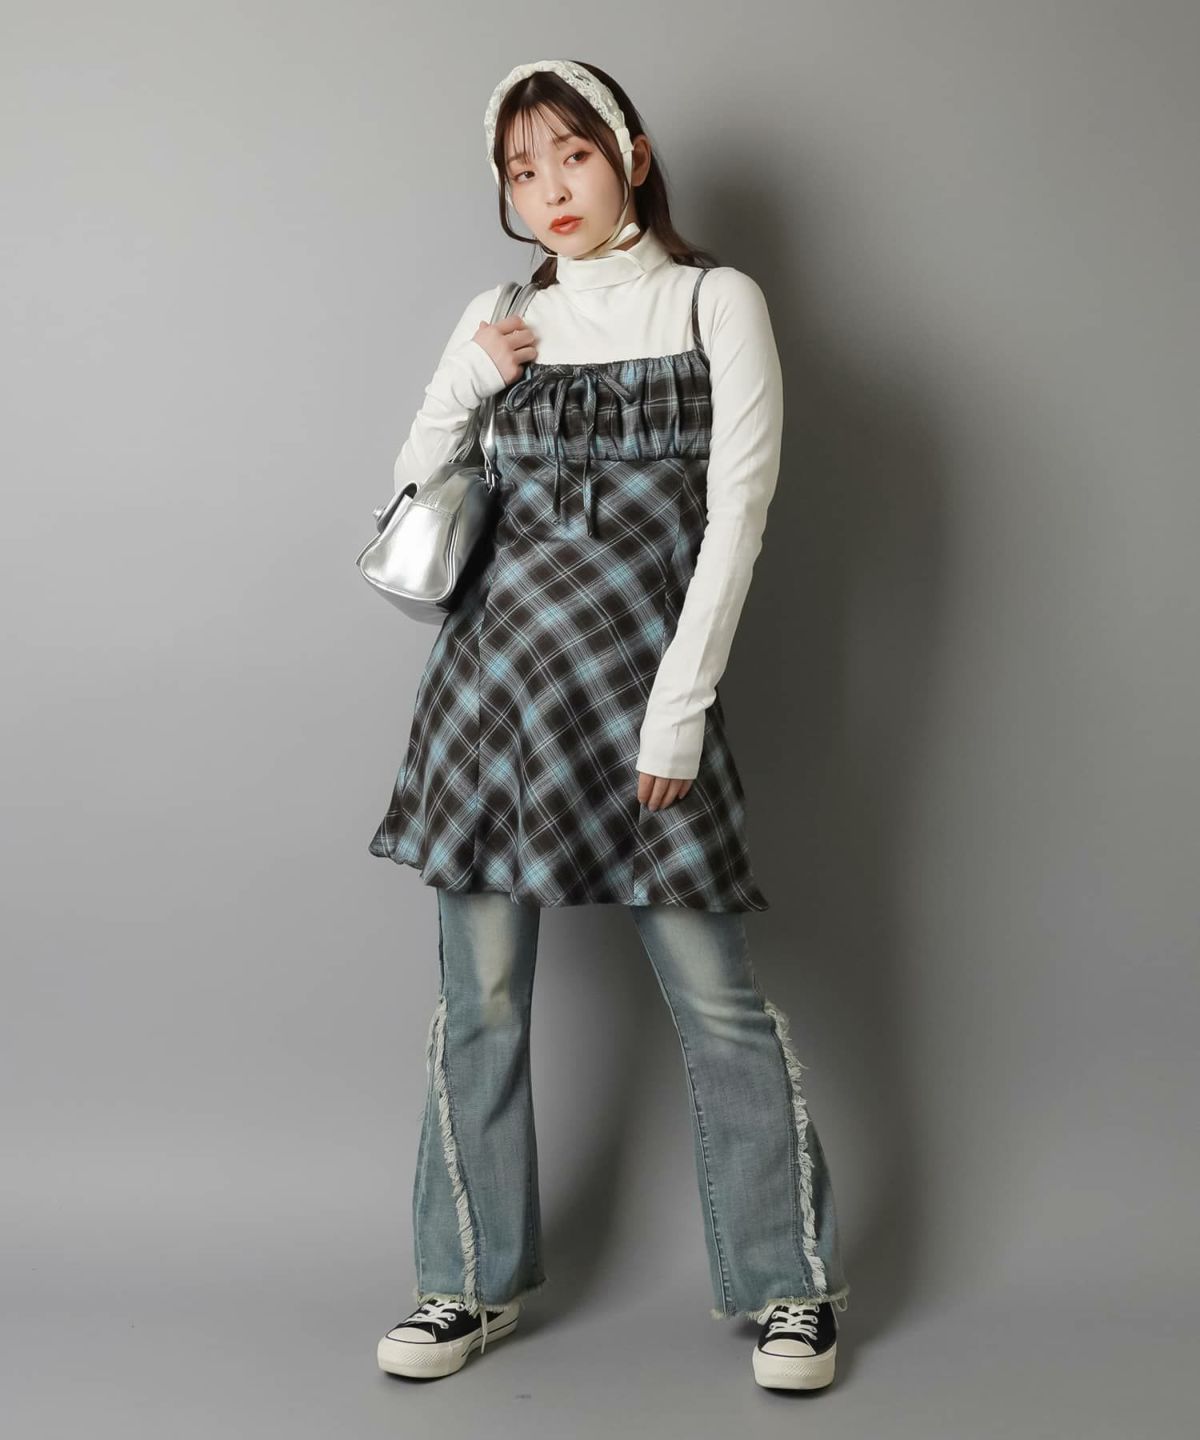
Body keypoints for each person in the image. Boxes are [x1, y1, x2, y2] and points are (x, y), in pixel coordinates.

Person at [368, 58, 850, 1391]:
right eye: (521, 172)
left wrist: (677, 713)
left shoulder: (713, 301)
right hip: (492, 704)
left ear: (631, 154)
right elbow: (414, 496)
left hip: (645, 703)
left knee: (717, 1001)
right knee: (481, 1002)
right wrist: (470, 378)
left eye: (571, 156)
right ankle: (464, 1284)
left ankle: (791, 1289)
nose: (550, 191)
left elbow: (738, 515)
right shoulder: (501, 314)